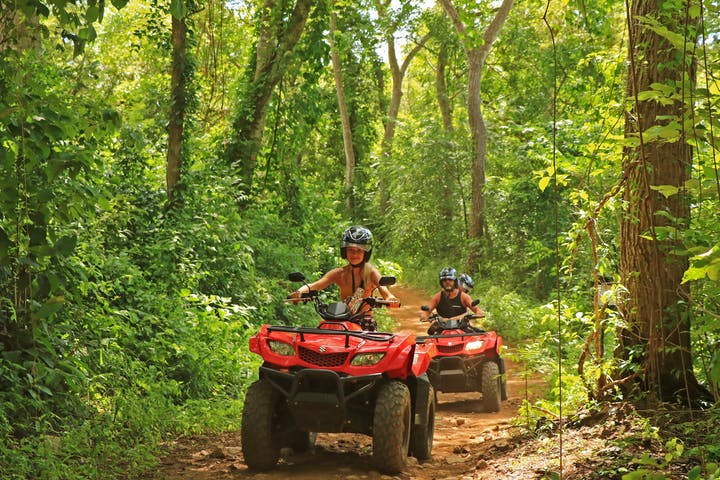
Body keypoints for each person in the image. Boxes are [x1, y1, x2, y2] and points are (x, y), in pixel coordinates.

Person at [289, 225, 398, 330]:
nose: (354, 254)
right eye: (351, 250)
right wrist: (299, 292)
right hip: (340, 320)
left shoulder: (371, 273)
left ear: (366, 253)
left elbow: (384, 289)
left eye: (359, 250)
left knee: (371, 347)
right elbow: (315, 285)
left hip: (363, 321)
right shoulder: (339, 273)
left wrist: (390, 299)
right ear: (344, 251)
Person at [420, 267, 484, 334]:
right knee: (430, 341)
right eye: (444, 281)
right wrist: (424, 316)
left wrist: (478, 313)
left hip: (463, 328)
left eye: (450, 280)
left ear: (455, 281)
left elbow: (477, 310)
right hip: (442, 329)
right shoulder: (437, 297)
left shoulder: (464, 296)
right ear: (441, 283)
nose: (447, 282)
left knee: (480, 338)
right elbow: (426, 312)